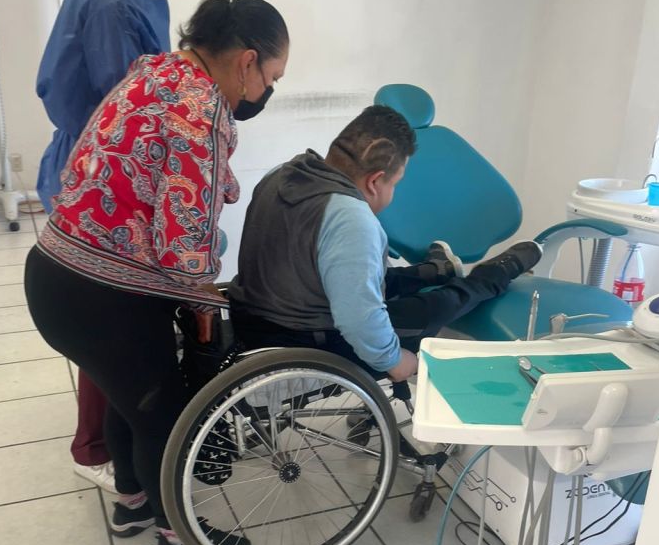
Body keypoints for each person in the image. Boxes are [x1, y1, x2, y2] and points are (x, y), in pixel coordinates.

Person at [25, 0, 289, 545]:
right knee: (162, 411)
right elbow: (182, 247)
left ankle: (133, 505)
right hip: (99, 295)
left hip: (54, 274)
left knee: (127, 397)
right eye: (270, 78)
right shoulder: (202, 112)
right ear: (246, 62)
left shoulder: (157, 71)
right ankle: (179, 538)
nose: (265, 91)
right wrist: (207, 294)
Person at [35, 0, 240, 494]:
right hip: (101, 182)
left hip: (92, 187)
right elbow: (134, 128)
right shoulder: (115, 4)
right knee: (126, 354)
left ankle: (126, 480)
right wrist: (199, 269)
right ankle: (104, 456)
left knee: (116, 345)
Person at [227, 105, 542, 379]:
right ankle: (492, 275)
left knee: (372, 277)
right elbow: (359, 321)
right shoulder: (350, 218)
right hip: (307, 340)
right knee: (438, 305)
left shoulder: (282, 175)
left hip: (254, 319)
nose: (393, 193)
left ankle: (436, 270)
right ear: (375, 181)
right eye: (395, 183)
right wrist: (393, 360)